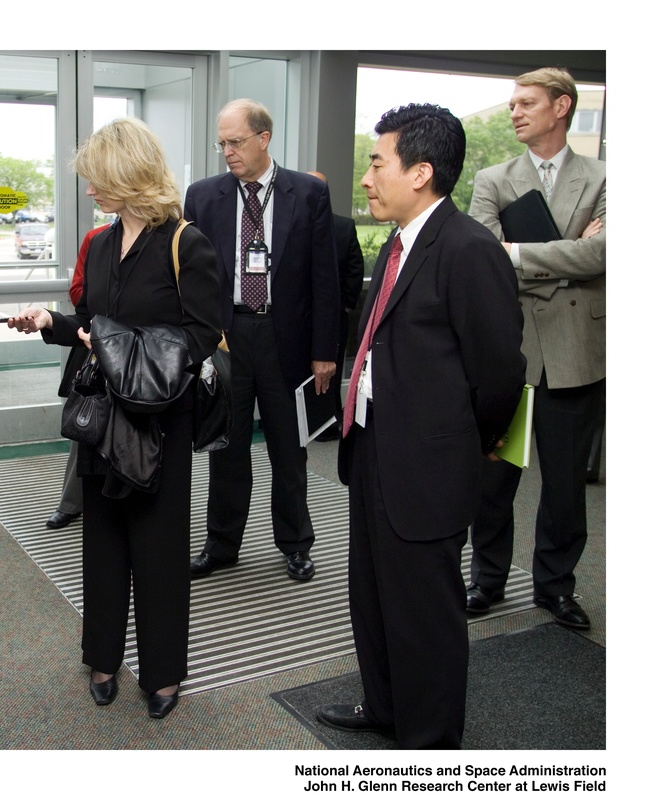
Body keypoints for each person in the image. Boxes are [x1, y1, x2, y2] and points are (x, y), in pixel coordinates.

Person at [314, 104, 525, 748]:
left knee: (425, 615)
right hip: (375, 447)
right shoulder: (396, 245)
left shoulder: (467, 250)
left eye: (378, 164)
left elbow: (499, 375)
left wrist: (470, 442)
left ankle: (429, 746)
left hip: (430, 465)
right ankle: (386, 707)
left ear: (422, 172)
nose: (369, 179)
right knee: (374, 596)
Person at [9, 118, 221, 719]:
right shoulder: (99, 245)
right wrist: (49, 324)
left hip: (159, 418)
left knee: (159, 545)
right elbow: (88, 327)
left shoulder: (186, 242)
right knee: (101, 541)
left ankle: (162, 673)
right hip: (103, 419)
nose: (90, 191)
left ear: (128, 175)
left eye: (97, 179)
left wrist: (123, 346)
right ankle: (102, 657)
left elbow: (203, 334)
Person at [465, 67, 605, 629]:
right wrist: (569, 250)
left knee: (567, 486)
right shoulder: (493, 178)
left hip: (576, 352)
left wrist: (519, 253)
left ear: (562, 107)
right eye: (512, 104)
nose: (515, 112)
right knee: (496, 479)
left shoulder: (605, 177)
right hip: (512, 352)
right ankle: (487, 581)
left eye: (527, 103)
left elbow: (607, 256)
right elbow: (483, 257)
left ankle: (555, 587)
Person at [183, 99, 340, 582]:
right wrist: (202, 341)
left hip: (284, 338)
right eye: (222, 143)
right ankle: (221, 545)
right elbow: (193, 277)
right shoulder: (203, 196)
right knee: (225, 449)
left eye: (235, 142)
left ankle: (295, 544)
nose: (227, 152)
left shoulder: (308, 193)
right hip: (227, 337)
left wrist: (324, 352)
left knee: (288, 450)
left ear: (263, 139)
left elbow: (325, 279)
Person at [45, 224, 109, 530]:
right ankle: (71, 503)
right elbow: (78, 292)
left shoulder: (175, 238)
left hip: (139, 360)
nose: (92, 191)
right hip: (95, 348)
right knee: (85, 427)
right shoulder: (97, 238)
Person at [307, 171, 364, 441]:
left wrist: (342, 308)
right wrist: (344, 306)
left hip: (320, 317)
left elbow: (354, 271)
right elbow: (354, 271)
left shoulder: (338, 225)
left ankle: (317, 423)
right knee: (328, 370)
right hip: (330, 316)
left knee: (324, 370)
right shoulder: (342, 225)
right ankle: (324, 424)